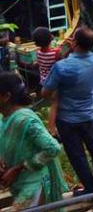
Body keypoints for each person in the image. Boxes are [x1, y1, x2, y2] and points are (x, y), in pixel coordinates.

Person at [41, 26, 93, 194]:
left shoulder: (61, 67)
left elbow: (46, 93)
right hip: (89, 115)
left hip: (67, 119)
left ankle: (90, 188)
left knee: (77, 155)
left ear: (74, 42)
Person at [0, 73, 67, 209]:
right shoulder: (5, 119)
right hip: (20, 184)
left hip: (35, 184)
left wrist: (19, 168)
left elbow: (53, 148)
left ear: (6, 96)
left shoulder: (25, 120)